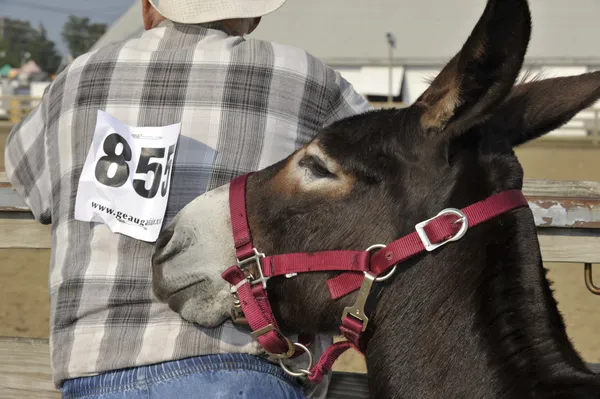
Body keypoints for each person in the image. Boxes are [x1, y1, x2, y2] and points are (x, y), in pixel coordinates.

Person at [4, 0, 372, 398]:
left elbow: (30, 181)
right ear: (253, 14)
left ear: (148, 7)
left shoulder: (75, 78)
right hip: (245, 363)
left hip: (95, 367)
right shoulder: (306, 77)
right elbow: (394, 176)